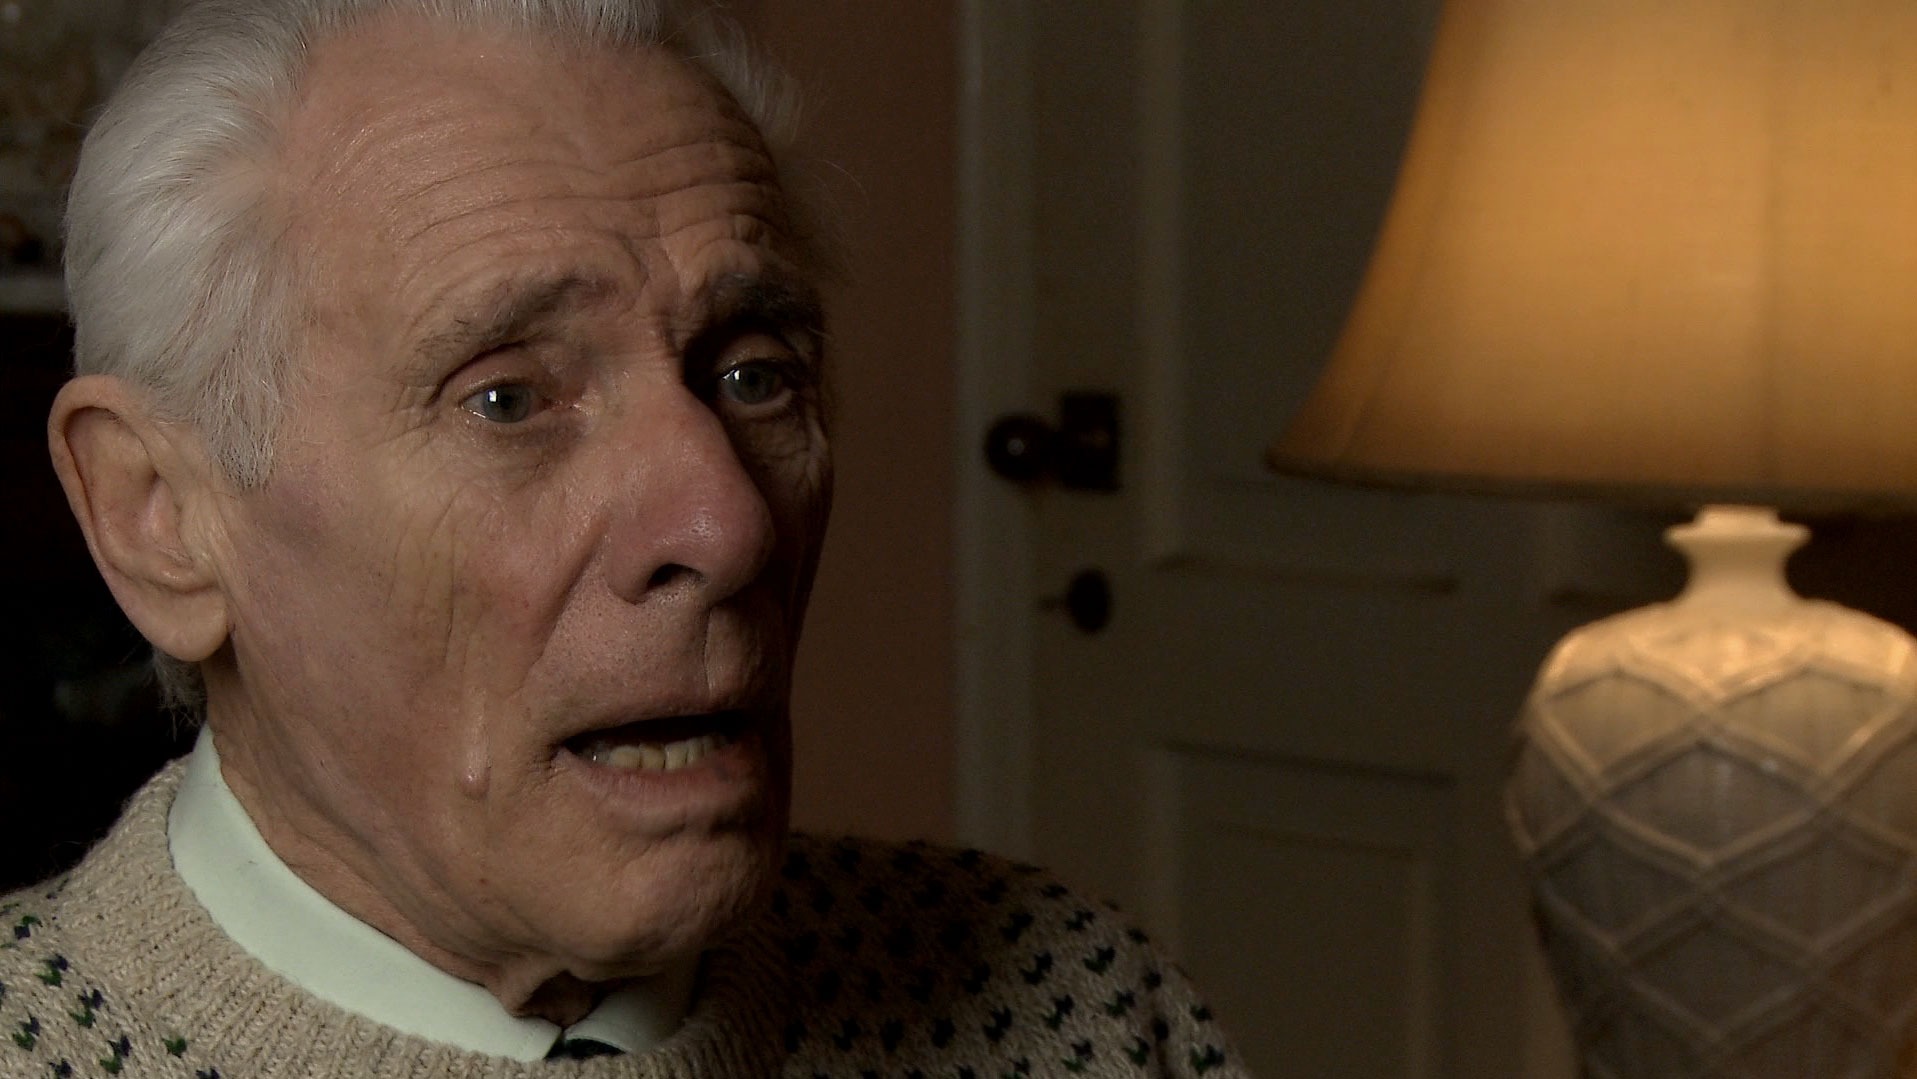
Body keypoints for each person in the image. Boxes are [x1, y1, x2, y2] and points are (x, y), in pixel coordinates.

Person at [1, 0, 1247, 1075]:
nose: (729, 523)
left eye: (755, 375)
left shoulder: (1082, 1006)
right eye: (508, 398)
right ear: (158, 514)